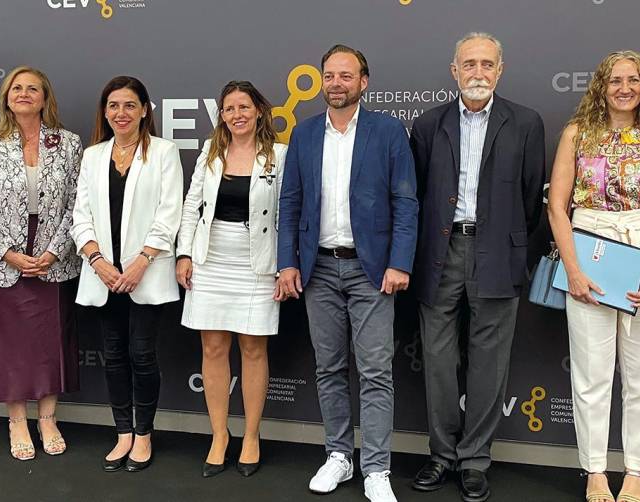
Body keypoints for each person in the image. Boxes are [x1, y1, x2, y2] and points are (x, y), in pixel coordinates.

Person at [547, 50, 640, 502]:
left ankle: (635, 472)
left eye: (633, 80)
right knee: (591, 373)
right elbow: (557, 207)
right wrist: (573, 269)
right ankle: (593, 471)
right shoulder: (577, 134)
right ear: (601, 87)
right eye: (614, 80)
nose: (624, 88)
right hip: (590, 247)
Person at [277, 44, 417, 502]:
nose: (336, 83)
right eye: (329, 76)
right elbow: (290, 202)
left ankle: (376, 467)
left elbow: (405, 202)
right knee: (329, 368)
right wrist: (287, 262)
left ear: (364, 81)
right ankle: (339, 454)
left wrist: (399, 262)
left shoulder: (388, 131)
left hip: (371, 271)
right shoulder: (305, 133)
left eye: (346, 75)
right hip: (318, 270)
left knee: (375, 370)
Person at [409, 32, 545, 502]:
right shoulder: (428, 125)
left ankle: (474, 460)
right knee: (439, 360)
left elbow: (532, 200)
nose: (478, 73)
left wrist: (517, 254)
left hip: (497, 254)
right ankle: (442, 455)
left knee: (489, 362)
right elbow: (420, 196)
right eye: (469, 64)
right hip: (440, 256)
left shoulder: (526, 123)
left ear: (500, 70)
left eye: (487, 64)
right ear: (455, 71)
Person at [0, 66, 83, 461]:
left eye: (33, 88)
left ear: (45, 97)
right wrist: (9, 253)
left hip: (53, 258)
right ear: (5, 96)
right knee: (10, 347)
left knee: (49, 342)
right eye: (17, 88)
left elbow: (76, 206)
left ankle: (47, 418)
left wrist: (53, 251)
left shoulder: (68, 143)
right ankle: (17, 421)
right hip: (2, 261)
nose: (24, 93)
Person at [71, 76, 183, 473]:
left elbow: (171, 214)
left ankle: (144, 433)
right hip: (103, 275)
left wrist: (139, 264)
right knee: (114, 355)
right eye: (114, 105)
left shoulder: (165, 152)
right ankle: (122, 432)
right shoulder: (93, 156)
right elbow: (80, 215)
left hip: (145, 274)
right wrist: (98, 261)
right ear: (105, 111)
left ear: (145, 110)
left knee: (141, 353)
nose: (122, 113)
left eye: (130, 105)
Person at [176, 81, 287, 478]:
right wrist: (184, 253)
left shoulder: (280, 155)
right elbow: (192, 204)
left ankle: (252, 436)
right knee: (213, 348)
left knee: (254, 349)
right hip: (211, 258)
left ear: (259, 110)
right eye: (228, 108)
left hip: (257, 262)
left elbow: (285, 216)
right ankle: (219, 436)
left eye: (244, 106)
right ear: (221, 115)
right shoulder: (210, 151)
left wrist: (283, 264)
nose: (236, 114)